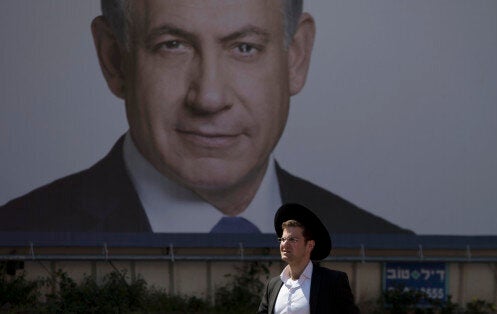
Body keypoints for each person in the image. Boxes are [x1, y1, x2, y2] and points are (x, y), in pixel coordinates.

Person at [0, 0, 411, 234]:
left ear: (296, 57)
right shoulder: (16, 240)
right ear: (114, 59)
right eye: (172, 45)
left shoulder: (388, 250)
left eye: (244, 47)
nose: (209, 97)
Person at [258, 203, 360, 313]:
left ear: (309, 245)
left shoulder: (332, 281)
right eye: (282, 239)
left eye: (292, 240)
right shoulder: (273, 285)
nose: (285, 244)